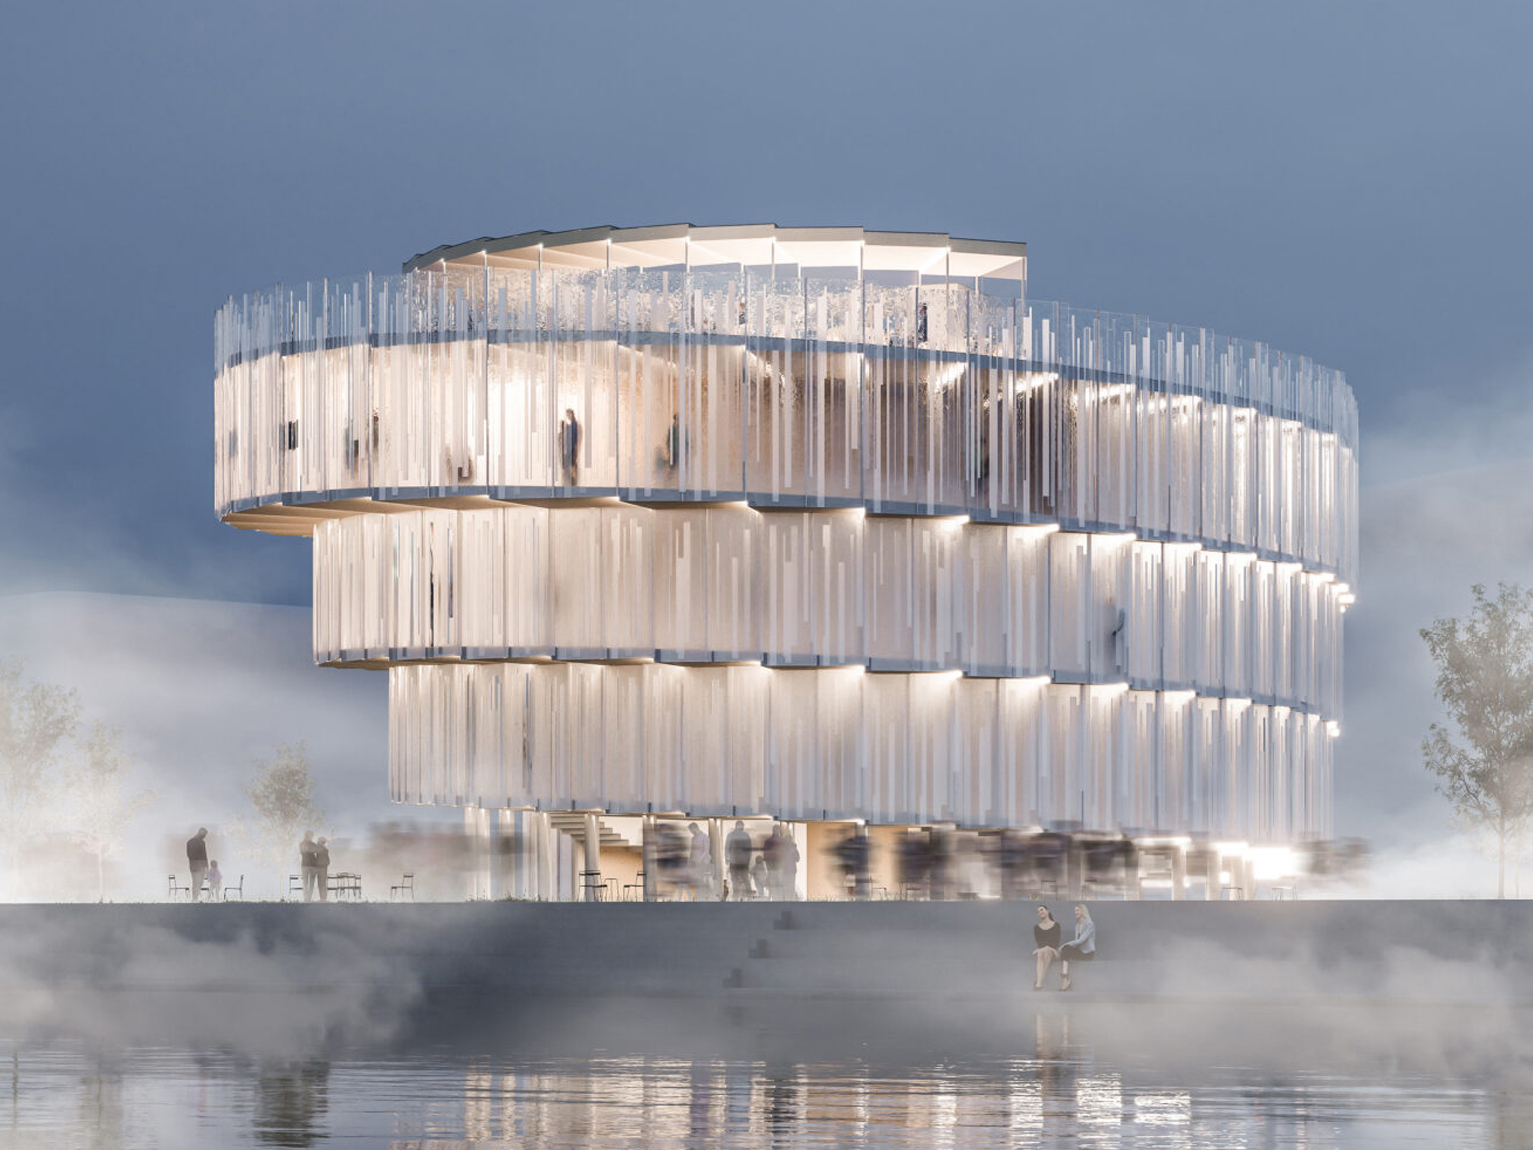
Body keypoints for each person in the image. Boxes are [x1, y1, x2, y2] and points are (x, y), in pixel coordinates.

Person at [1058, 904, 1095, 991]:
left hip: (1088, 954)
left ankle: (1065, 980)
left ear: (1083, 911)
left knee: (1065, 947)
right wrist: (1066, 946)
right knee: (1065, 950)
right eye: (1075, 910)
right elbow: (1076, 942)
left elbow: (1081, 940)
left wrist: (1065, 944)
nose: (1075, 912)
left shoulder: (1090, 924)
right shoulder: (1077, 925)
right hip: (1079, 951)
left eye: (1077, 910)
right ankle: (1065, 979)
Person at [1032, 904, 1062, 991]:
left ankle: (1038, 982)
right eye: (1038, 911)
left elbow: (1056, 941)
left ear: (1047, 911)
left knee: (1045, 951)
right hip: (1043, 951)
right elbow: (1039, 942)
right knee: (1042, 952)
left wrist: (1051, 949)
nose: (1040, 912)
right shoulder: (1036, 927)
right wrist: (1041, 949)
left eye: (1041, 910)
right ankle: (1039, 984)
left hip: (1053, 952)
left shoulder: (1056, 925)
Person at [725, 821, 753, 900]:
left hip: (733, 861)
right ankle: (749, 896)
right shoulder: (746, 835)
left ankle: (736, 895)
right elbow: (749, 850)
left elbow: (727, 848)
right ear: (741, 826)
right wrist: (748, 861)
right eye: (742, 826)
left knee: (734, 879)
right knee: (745, 879)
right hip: (744, 862)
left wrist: (726, 858)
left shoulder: (730, 835)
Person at [687, 821, 712, 900]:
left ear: (695, 828)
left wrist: (699, 860)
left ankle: (701, 897)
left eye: (691, 830)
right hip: (694, 863)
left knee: (700, 879)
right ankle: (697, 896)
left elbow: (706, 851)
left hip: (702, 863)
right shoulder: (693, 838)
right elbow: (692, 850)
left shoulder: (705, 837)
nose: (691, 832)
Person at [186, 828, 209, 901]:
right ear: (200, 833)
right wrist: (205, 865)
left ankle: (194, 898)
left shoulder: (190, 842)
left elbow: (189, 855)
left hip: (194, 865)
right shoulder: (201, 842)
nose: (205, 836)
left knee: (197, 882)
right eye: (204, 835)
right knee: (198, 882)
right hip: (198, 865)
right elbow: (204, 855)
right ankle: (194, 898)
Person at [559, 407, 580, 487]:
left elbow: (574, 437)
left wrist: (574, 447)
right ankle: (572, 480)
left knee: (571, 464)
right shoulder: (572, 424)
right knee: (570, 463)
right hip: (570, 448)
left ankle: (573, 480)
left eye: (568, 414)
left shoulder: (574, 424)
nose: (567, 416)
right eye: (567, 415)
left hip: (571, 448)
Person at [300, 831, 318, 901]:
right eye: (310, 835)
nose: (311, 837)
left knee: (310, 883)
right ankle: (306, 898)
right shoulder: (302, 844)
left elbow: (317, 852)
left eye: (311, 836)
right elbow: (302, 852)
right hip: (306, 865)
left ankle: (308, 898)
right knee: (306, 882)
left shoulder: (312, 844)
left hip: (311, 865)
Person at [315, 836, 331, 903]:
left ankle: (323, 898)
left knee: (321, 883)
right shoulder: (325, 850)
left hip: (321, 868)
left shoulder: (320, 850)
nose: (317, 842)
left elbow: (326, 860)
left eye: (318, 841)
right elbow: (328, 861)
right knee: (322, 883)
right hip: (323, 868)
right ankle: (323, 898)